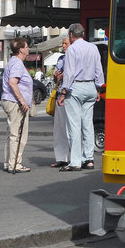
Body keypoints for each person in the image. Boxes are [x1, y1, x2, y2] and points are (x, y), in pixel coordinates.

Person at [57, 23, 104, 172]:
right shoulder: (93, 48)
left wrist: (64, 92)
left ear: (71, 35)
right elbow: (99, 70)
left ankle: (75, 161)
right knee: (88, 125)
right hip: (90, 87)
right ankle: (88, 159)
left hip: (76, 88)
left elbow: (69, 73)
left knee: (74, 125)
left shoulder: (72, 49)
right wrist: (97, 88)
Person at [1, 38, 34, 173]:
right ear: (21, 49)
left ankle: (9, 162)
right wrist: (22, 101)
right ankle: (15, 164)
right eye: (26, 47)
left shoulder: (13, 62)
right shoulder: (17, 63)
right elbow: (13, 82)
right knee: (18, 134)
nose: (28, 49)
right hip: (15, 102)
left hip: (10, 100)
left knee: (12, 134)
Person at [50, 35, 71, 168]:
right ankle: (61, 157)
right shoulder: (61, 59)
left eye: (66, 44)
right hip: (60, 95)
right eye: (63, 44)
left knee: (71, 127)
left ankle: (73, 157)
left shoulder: (75, 57)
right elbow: (55, 79)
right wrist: (56, 76)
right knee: (59, 128)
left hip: (70, 94)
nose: (64, 46)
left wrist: (66, 75)